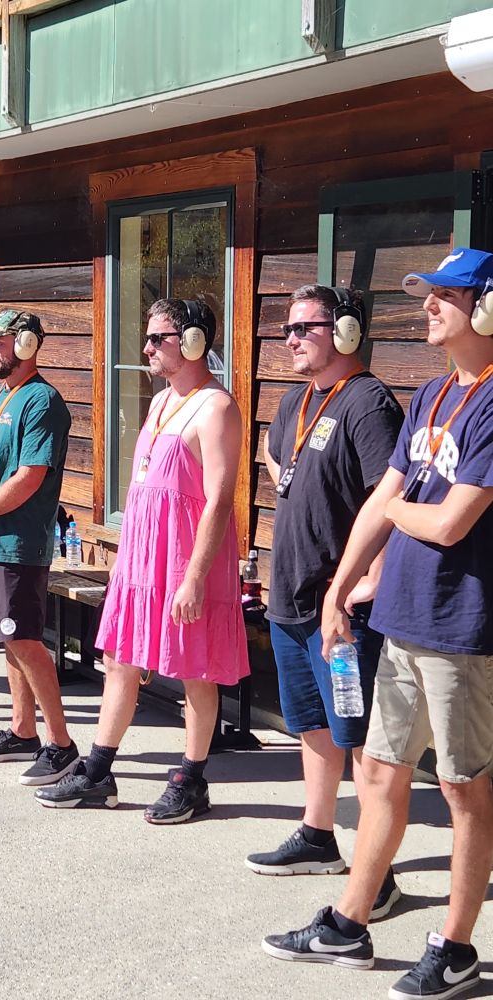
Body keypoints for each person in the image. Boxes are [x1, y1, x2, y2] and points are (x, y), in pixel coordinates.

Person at [262, 247, 493, 1000]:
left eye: (446, 298)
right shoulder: (430, 397)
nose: (428, 308)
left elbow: (452, 522)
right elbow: (384, 500)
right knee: (385, 775)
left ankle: (455, 947)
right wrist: (338, 590)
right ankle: (350, 920)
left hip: (464, 630)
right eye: (428, 296)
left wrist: (393, 510)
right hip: (399, 621)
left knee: (463, 792)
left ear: (487, 309)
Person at [35, 298, 247, 821]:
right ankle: (99, 770)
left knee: (197, 666)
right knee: (122, 658)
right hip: (143, 557)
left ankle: (192, 779)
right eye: (147, 337)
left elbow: (219, 499)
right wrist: (127, 559)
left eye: (159, 338)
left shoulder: (216, 407)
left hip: (186, 560)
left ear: (194, 341)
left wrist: (195, 576)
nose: (148, 347)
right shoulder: (159, 404)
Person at [245, 286, 404, 917]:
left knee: (359, 737)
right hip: (290, 597)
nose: (289, 339)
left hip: (340, 610)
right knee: (309, 723)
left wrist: (371, 579)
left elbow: (386, 499)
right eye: (286, 328)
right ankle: (318, 835)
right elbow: (280, 463)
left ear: (344, 332)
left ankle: (378, 874)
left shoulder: (370, 405)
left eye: (303, 328)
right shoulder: (296, 400)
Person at [0, 310, 78, 785]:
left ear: (27, 345)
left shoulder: (42, 401)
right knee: (11, 640)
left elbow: (31, 478)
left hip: (17, 545)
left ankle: (61, 745)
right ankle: (22, 730)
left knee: (26, 639)